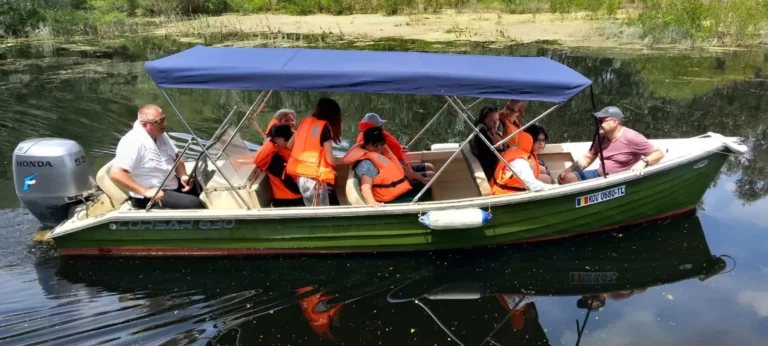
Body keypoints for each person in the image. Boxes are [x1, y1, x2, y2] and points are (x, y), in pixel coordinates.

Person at [109, 104, 204, 209]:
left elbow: (177, 158)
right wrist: (146, 191)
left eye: (163, 119)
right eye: (158, 122)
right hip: (149, 194)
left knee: (203, 187)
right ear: (144, 125)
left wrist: (183, 176)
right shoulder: (132, 142)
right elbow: (116, 174)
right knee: (193, 204)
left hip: (169, 183)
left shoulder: (160, 134)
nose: (164, 123)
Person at [558, 106, 666, 184]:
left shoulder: (632, 137)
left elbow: (659, 153)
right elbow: (588, 158)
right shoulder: (601, 137)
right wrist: (567, 171)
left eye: (601, 121)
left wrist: (643, 162)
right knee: (565, 178)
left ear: (615, 122)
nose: (598, 124)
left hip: (621, 181)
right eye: (598, 121)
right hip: (601, 175)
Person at [343, 127, 432, 207]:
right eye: (375, 144)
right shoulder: (367, 164)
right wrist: (372, 203)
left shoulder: (382, 153)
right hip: (387, 199)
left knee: (426, 184)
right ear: (366, 145)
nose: (379, 147)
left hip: (398, 192)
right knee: (424, 193)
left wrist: (420, 178)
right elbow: (365, 187)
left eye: (382, 143)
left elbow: (400, 170)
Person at [286, 98, 343, 207]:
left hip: (301, 178)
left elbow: (289, 145)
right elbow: (331, 160)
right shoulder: (324, 129)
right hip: (315, 181)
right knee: (322, 213)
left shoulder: (303, 123)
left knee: (311, 210)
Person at [356, 112, 435, 181]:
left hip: (399, 166)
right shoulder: (371, 143)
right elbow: (389, 164)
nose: (383, 127)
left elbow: (388, 148)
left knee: (429, 166)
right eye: (380, 125)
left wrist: (399, 147)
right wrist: (419, 177)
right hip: (397, 171)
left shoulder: (374, 137)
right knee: (431, 175)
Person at [491, 125, 557, 195]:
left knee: (546, 177)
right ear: (530, 140)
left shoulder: (523, 152)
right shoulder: (520, 161)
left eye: (543, 140)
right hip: (506, 196)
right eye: (538, 140)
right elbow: (534, 185)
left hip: (515, 192)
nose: (541, 143)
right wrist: (555, 188)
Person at [250, 124, 304, 207]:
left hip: (295, 193)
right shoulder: (272, 156)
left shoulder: (279, 146)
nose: (290, 143)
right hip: (289, 199)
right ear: (276, 139)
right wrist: (305, 191)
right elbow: (286, 179)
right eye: (287, 140)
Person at [470, 106, 508, 181]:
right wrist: (499, 149)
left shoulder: (492, 134)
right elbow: (500, 167)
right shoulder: (484, 141)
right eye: (491, 121)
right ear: (483, 122)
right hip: (497, 179)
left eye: (497, 120)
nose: (495, 123)